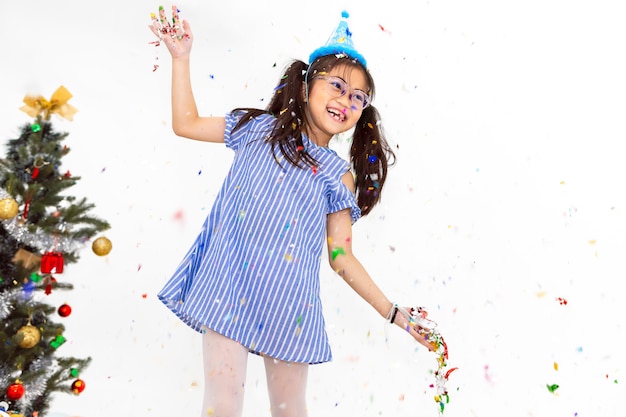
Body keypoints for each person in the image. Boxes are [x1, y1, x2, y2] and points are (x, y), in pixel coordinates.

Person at [149, 6, 434, 417]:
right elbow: (186, 123)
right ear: (305, 87)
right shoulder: (256, 130)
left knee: (290, 413)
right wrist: (181, 58)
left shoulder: (338, 177)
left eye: (357, 97)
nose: (345, 101)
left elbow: (341, 257)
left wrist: (393, 313)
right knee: (221, 408)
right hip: (228, 288)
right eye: (336, 85)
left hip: (290, 307)